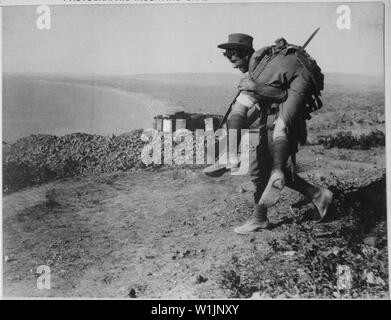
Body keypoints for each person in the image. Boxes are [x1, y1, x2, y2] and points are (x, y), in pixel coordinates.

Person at [215, 33, 333, 234]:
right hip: (268, 124)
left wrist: (255, 88)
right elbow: (256, 107)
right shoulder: (260, 69)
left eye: (233, 58)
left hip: (279, 125)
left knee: (261, 171)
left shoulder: (267, 70)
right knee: (267, 171)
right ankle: (318, 195)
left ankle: (259, 218)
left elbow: (283, 96)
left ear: (242, 53)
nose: (232, 64)